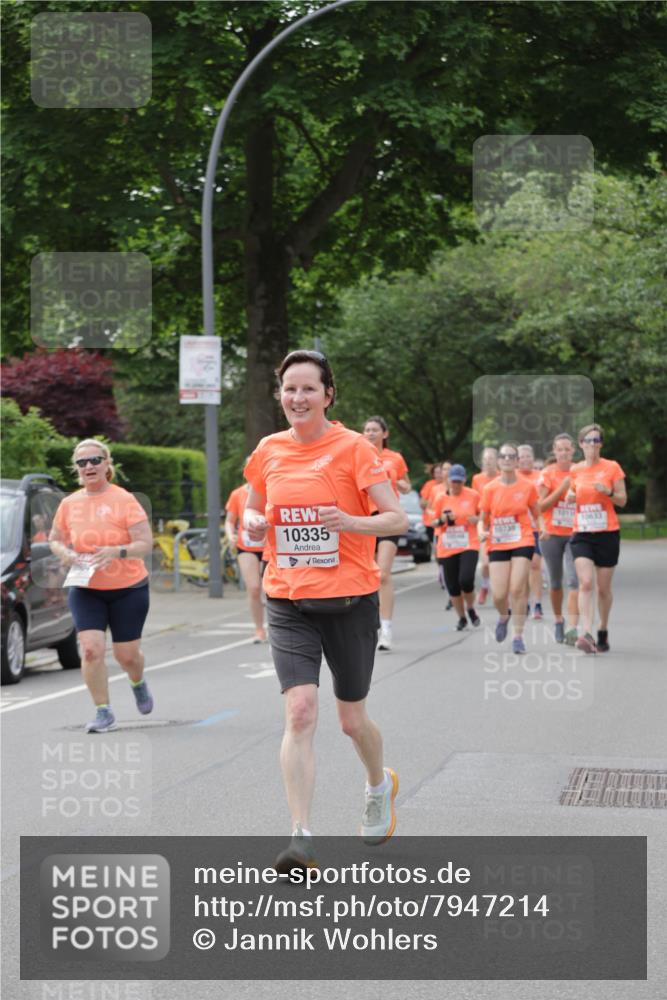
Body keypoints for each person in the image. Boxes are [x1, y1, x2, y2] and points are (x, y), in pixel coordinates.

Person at [242, 350, 408, 871]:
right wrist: (251, 527)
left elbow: (396, 519)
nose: (298, 397)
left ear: (328, 394)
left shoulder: (354, 448)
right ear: (280, 395)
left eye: (309, 388)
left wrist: (349, 522)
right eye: (289, 388)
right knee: (299, 711)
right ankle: (302, 838)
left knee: (351, 721)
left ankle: (379, 785)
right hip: (288, 597)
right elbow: (252, 508)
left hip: (349, 599)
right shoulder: (267, 450)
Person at [49, 439, 154, 733]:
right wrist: (66, 553)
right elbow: (54, 539)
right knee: (92, 649)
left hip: (128, 588)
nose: (89, 466)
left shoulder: (125, 500)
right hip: (86, 588)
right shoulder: (69, 504)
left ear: (107, 464)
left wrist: (116, 551)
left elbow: (145, 543)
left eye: (95, 460)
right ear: (76, 469)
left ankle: (137, 680)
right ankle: (103, 711)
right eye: (82, 463)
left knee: (126, 656)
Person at [567, 424, 626, 653]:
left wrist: (608, 492)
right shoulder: (576, 469)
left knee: (603, 589)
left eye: (596, 440)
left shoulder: (612, 467)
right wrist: (570, 495)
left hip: (607, 533)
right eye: (588, 441)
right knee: (586, 583)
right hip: (582, 533)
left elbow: (623, 500)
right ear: (581, 444)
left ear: (601, 444)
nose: (592, 444)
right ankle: (586, 633)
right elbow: (571, 492)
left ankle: (602, 628)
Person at [479, 442, 541, 655]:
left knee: (517, 588)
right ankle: (504, 615)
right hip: (498, 541)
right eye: (503, 456)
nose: (506, 459)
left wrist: (542, 529)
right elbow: (483, 519)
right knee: (498, 594)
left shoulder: (527, 486)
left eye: (511, 456)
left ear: (516, 461)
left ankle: (518, 636)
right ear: (498, 462)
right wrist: (481, 531)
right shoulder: (490, 489)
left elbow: (537, 511)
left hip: (522, 539)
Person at [362, 416, 411, 652]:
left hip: (389, 518)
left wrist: (400, 485)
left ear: (385, 434)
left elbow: (406, 485)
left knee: (382, 574)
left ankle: (387, 628)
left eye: (374, 430)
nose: (370, 433)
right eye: (366, 430)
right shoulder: (360, 455)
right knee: (366, 573)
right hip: (365, 519)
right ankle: (368, 622)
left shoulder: (395, 458)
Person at [538, 434, 579, 644]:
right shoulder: (547, 473)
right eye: (559, 449)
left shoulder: (580, 471)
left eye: (567, 449)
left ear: (573, 451)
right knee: (555, 583)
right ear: (554, 452)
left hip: (575, 533)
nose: (563, 453)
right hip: (551, 534)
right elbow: (540, 506)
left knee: (574, 581)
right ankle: (558, 620)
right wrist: (562, 489)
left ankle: (573, 627)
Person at [431, 464, 481, 630]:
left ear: (464, 480)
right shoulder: (440, 498)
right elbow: (433, 521)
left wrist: (477, 519)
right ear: (448, 481)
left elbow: (483, 514)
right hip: (447, 546)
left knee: (466, 580)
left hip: (468, 543)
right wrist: (443, 520)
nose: (456, 485)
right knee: (453, 586)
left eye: (459, 482)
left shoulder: (473, 495)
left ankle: (471, 608)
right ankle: (462, 618)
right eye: (453, 482)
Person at [225, 481, 267, 643]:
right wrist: (231, 536)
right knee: (254, 588)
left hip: (268, 545)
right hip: (246, 546)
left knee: (269, 589)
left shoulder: (269, 489)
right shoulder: (238, 494)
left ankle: (278, 626)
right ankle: (259, 630)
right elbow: (230, 521)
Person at [517, 444, 545, 620]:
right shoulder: (512, 477)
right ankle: (524, 601)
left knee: (535, 564)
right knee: (522, 568)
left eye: (529, 456)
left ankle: (537, 603)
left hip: (535, 527)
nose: (526, 459)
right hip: (517, 530)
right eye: (522, 457)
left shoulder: (541, 477)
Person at [472, 447, 499, 605]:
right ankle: (485, 585)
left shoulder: (502, 477)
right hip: (484, 523)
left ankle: (498, 589)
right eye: (485, 459)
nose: (488, 462)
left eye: (491, 459)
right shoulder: (477, 479)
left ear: (497, 461)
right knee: (486, 562)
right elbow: (474, 500)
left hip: (500, 524)